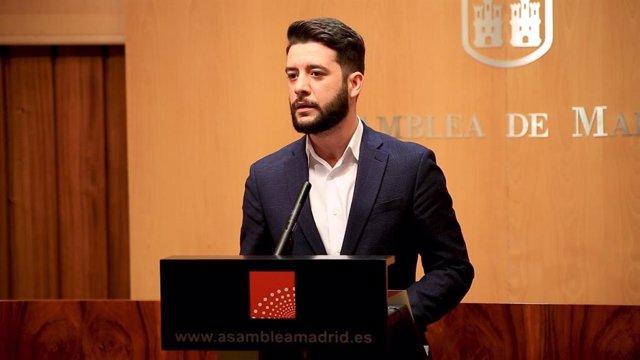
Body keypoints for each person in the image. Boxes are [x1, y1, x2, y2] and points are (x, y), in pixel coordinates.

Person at [240, 16, 473, 338]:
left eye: (316, 73)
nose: (300, 87)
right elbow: (256, 279)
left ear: (355, 83)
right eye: (292, 75)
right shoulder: (266, 177)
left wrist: (388, 316)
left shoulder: (410, 166)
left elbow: (452, 269)